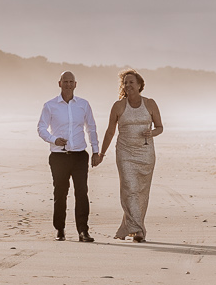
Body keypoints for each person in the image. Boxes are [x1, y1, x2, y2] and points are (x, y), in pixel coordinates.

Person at [93, 68, 163, 241]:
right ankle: (137, 230)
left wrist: (152, 133)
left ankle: (127, 228)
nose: (128, 85)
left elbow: (160, 127)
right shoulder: (118, 106)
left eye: (132, 82)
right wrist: (101, 153)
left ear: (139, 85)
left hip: (146, 154)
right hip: (124, 153)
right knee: (129, 189)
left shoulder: (150, 104)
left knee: (141, 192)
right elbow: (110, 132)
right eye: (125, 82)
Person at [37, 72, 99, 242]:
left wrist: (96, 151)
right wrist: (53, 139)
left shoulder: (83, 105)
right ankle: (60, 229)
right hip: (59, 156)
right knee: (60, 193)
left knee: (82, 193)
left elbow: (91, 128)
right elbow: (41, 128)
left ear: (75, 84)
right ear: (59, 83)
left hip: (80, 155)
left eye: (71, 82)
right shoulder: (50, 105)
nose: (68, 84)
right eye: (65, 81)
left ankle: (83, 231)